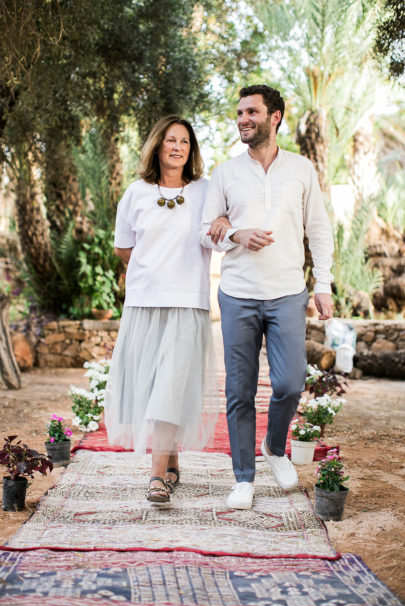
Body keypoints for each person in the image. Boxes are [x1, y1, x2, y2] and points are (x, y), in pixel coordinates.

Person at [200, 84, 334, 510]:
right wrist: (235, 232)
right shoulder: (224, 173)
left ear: (275, 117)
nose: (243, 119)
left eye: (252, 112)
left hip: (287, 293)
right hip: (238, 294)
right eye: (239, 112)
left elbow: (319, 229)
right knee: (238, 392)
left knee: (291, 382)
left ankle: (274, 447)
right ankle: (243, 477)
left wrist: (324, 283)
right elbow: (206, 230)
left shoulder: (301, 169)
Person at [105, 115, 219, 504]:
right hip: (144, 303)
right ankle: (170, 462)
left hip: (188, 301)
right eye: (170, 140)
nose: (177, 147)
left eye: (185, 142)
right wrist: (152, 268)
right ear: (157, 145)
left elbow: (219, 224)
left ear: (192, 150)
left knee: (171, 386)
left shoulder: (206, 190)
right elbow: (123, 247)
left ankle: (156, 478)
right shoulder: (136, 193)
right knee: (154, 385)